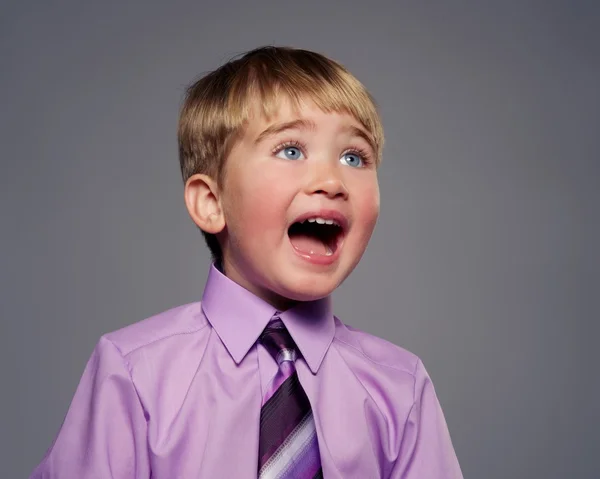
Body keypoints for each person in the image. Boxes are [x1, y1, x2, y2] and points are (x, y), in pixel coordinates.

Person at [31, 46, 463, 478]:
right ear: (211, 202)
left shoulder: (399, 387)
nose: (332, 181)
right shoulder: (133, 373)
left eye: (354, 157)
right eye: (291, 150)